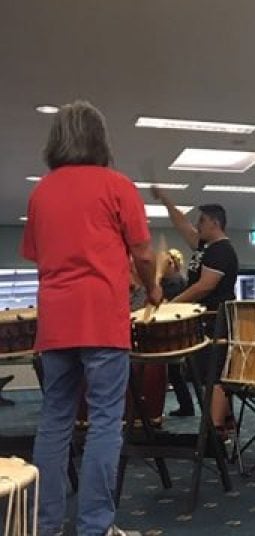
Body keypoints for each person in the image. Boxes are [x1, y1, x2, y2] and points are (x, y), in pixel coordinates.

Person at [21, 101, 161, 536]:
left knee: (54, 421)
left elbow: (38, 254)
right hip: (102, 318)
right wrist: (151, 285)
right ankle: (95, 528)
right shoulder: (117, 185)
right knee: (103, 422)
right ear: (101, 139)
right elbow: (143, 252)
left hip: (56, 322)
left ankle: (45, 527)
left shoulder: (41, 192)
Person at [151, 187, 238, 437]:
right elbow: (182, 225)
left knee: (216, 373)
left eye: (201, 220)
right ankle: (226, 423)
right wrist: (166, 200)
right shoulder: (206, 247)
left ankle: (215, 430)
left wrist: (173, 305)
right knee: (208, 373)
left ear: (214, 223)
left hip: (218, 320)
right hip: (206, 321)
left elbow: (204, 286)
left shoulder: (222, 251)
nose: (197, 225)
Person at [157, 248, 195, 417]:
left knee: (174, 371)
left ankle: (187, 407)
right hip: (169, 331)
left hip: (174, 331)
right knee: (174, 372)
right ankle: (186, 406)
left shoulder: (177, 282)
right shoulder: (168, 281)